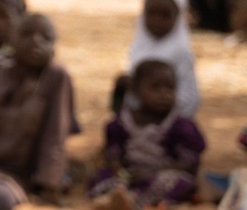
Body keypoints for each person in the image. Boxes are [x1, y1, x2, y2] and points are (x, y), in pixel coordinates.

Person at [0, 13, 76, 209]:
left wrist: (49, 184)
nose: (35, 41)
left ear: (54, 46)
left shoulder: (56, 78)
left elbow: (55, 135)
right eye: (26, 34)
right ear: (12, 38)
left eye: (46, 37)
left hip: (12, 176)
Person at [88, 59, 207, 208]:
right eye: (155, 88)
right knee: (106, 176)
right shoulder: (122, 122)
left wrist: (152, 171)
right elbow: (113, 156)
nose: (164, 94)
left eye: (170, 88)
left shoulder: (181, 126)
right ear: (136, 90)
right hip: (130, 174)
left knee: (176, 182)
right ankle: (114, 198)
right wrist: (123, 172)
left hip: (163, 172)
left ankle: (131, 201)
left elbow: (189, 163)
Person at [112, 0, 200, 118]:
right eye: (152, 14)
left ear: (178, 17)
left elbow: (190, 100)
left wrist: (160, 100)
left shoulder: (181, 52)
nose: (157, 20)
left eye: (165, 15)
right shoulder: (138, 47)